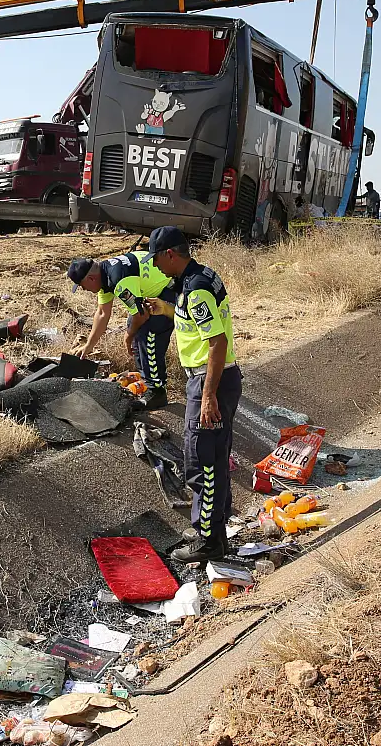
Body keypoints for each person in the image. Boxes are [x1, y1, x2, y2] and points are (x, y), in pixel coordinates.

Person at [143, 226, 242, 562]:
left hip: (209, 381)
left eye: (156, 258)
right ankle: (209, 528)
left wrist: (209, 396)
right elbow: (198, 323)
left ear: (170, 253)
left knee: (202, 463)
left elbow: (217, 342)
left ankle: (209, 542)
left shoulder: (196, 289)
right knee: (215, 457)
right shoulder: (199, 277)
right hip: (216, 379)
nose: (154, 266)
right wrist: (165, 310)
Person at [68, 251, 176, 410]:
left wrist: (128, 336)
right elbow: (102, 313)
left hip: (170, 289)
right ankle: (148, 382)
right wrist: (88, 346)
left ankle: (156, 392)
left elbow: (141, 314)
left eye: (82, 286)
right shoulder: (104, 275)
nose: (84, 290)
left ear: (91, 278)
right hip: (154, 292)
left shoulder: (118, 279)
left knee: (147, 333)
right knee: (133, 324)